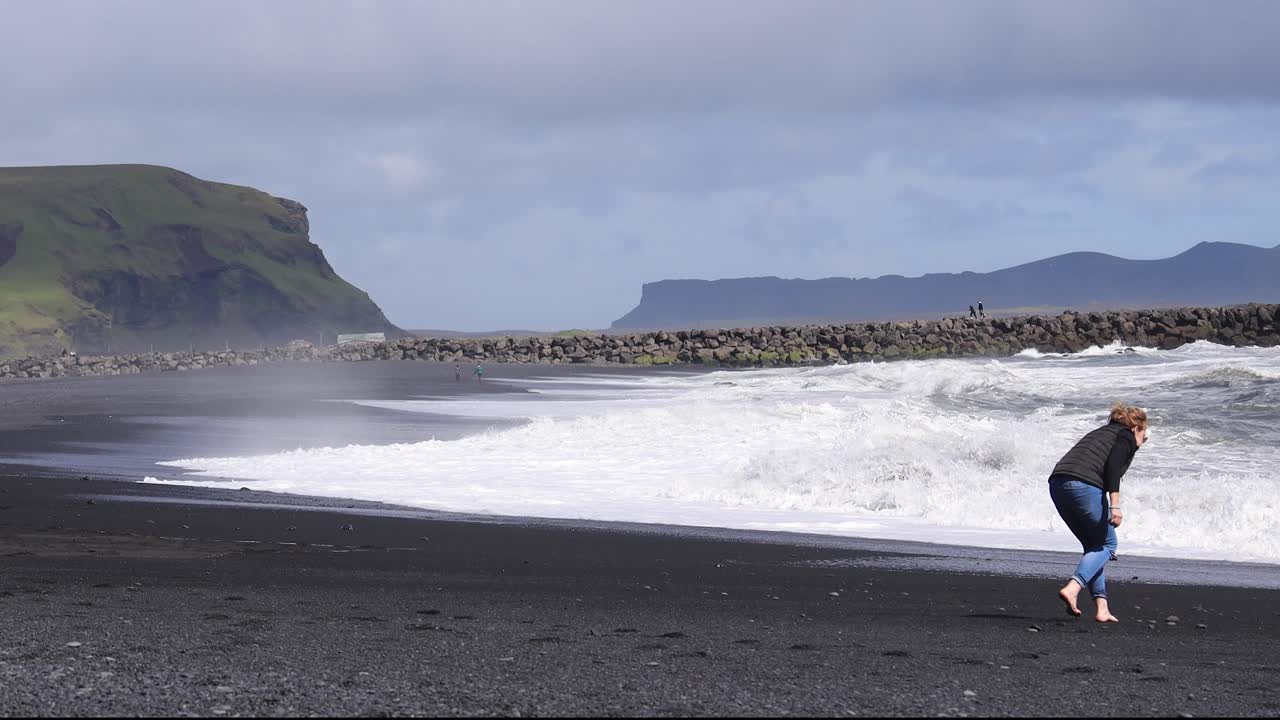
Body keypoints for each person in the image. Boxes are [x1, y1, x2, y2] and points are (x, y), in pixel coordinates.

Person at [1047, 403, 1148, 623]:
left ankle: (1102, 608)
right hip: (1084, 485)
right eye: (1144, 433)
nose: (1144, 439)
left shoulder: (1101, 433)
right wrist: (1115, 505)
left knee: (1094, 547)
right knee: (1108, 545)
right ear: (1136, 427)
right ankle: (1073, 588)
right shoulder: (1126, 436)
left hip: (1058, 483)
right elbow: (1112, 467)